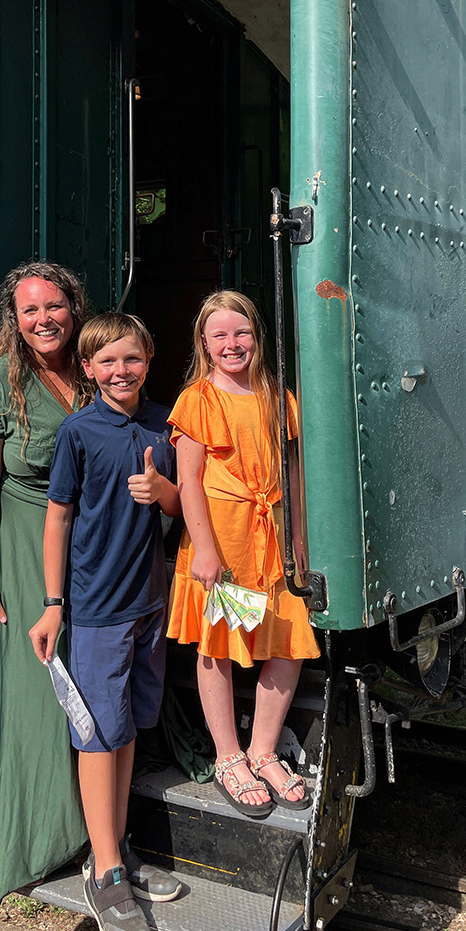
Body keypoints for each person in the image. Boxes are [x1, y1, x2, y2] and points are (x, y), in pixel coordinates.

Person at [0, 261, 90, 909]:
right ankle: (26, 838)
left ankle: (83, 830)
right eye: (30, 311)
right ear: (15, 319)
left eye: (53, 306)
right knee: (34, 692)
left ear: (72, 307)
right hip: (23, 546)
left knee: (86, 686)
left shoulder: (90, 369)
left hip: (90, 548)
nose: (44, 319)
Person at [29, 313, 182, 931]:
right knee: (97, 738)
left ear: (149, 359)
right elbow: (58, 517)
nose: (122, 371)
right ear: (88, 370)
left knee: (123, 736)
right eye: (108, 362)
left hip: (149, 604)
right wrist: (53, 603)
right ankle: (108, 874)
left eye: (133, 359)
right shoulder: (78, 430)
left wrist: (163, 490)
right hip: (96, 609)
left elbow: (182, 508)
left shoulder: (164, 423)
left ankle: (110, 848)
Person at [167, 291, 320, 819]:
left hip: (272, 539)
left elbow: (293, 474)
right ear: (204, 344)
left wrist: (299, 539)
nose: (232, 345)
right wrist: (205, 550)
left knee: (285, 642)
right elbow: (187, 482)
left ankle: (264, 750)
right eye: (220, 336)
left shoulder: (279, 397)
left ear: (256, 336)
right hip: (224, 544)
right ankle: (229, 757)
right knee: (220, 647)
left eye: (242, 333)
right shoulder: (199, 399)